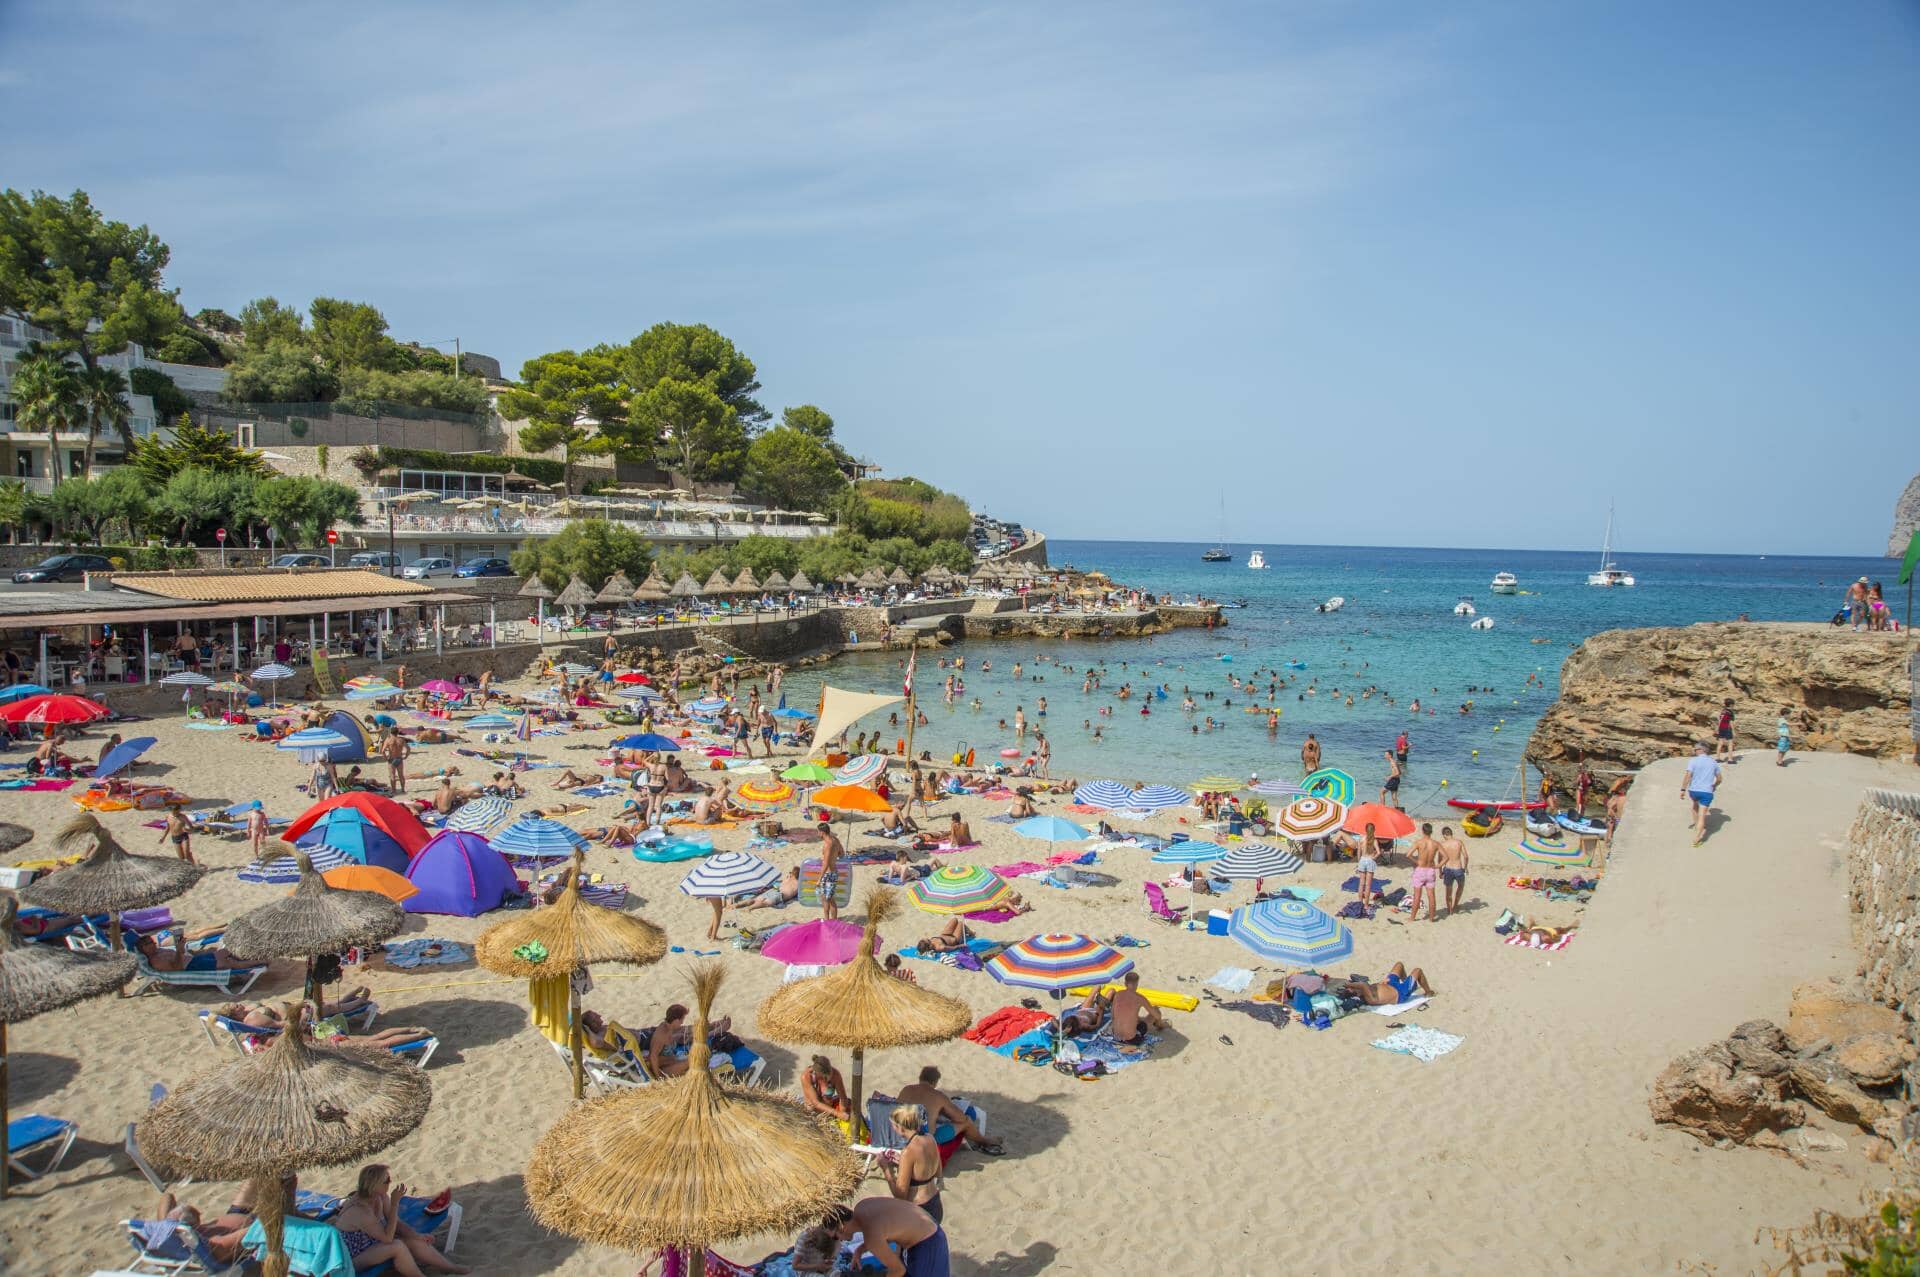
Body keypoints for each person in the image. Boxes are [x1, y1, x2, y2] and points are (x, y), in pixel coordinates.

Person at [329, 1164, 468, 1275]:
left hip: (370, 1244)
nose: (390, 1182)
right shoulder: (361, 1211)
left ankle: (452, 1268)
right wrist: (395, 1203)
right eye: (387, 1180)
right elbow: (388, 1238)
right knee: (397, 1246)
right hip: (350, 1259)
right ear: (375, 1185)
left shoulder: (380, 1197)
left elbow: (395, 1222)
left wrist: (417, 1236)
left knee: (413, 1240)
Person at [827, 1198, 947, 1277]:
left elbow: (898, 1271)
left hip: (928, 1243)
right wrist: (860, 1249)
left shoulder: (871, 1237)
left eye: (835, 1237)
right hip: (928, 1225)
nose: (840, 1241)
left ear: (841, 1227)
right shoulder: (862, 1206)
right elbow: (886, 1227)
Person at [897, 1066, 1001, 1155]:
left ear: (920, 1078)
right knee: (966, 1121)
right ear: (935, 1082)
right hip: (925, 1138)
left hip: (900, 1132)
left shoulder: (906, 1089)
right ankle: (984, 1141)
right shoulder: (938, 1096)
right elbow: (960, 1117)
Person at [884, 1104, 945, 1224]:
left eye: (894, 1126)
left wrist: (886, 1169)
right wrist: (902, 1162)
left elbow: (900, 1195)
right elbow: (938, 1170)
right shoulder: (930, 1139)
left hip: (919, 1209)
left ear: (901, 1128)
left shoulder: (908, 1151)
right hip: (935, 1202)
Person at [1681, 741, 1723, 847]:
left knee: (1694, 806)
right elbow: (1719, 779)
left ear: (1701, 750)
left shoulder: (1693, 761)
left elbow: (1688, 775)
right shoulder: (1713, 762)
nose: (1694, 751)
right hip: (1706, 792)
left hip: (1693, 791)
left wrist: (1682, 789)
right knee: (1702, 815)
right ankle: (1697, 837)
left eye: (1695, 749)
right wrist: (1714, 786)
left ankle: (1696, 826)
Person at [1109, 971, 1165, 1045]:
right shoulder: (1139, 998)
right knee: (1156, 1011)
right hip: (1131, 1040)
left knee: (1131, 1016)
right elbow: (1157, 1015)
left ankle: (1158, 1024)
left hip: (1115, 1036)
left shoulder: (1118, 994)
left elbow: (1113, 1016)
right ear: (1136, 984)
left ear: (1125, 983)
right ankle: (1161, 1026)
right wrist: (1157, 1015)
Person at [1340, 962, 1434, 1005]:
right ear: (1355, 992)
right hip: (1400, 993)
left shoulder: (1365, 990)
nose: (1353, 986)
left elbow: (1373, 987)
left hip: (1390, 984)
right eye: (1352, 988)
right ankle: (1428, 992)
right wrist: (1348, 985)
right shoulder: (1369, 998)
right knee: (1418, 971)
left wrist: (1381, 983)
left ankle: (1410, 984)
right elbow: (1362, 985)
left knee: (1399, 965)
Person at [800, 1054, 851, 1128]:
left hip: (829, 1112)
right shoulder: (806, 1076)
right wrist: (838, 1114)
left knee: (849, 1103)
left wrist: (843, 1112)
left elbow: (842, 1098)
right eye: (826, 1077)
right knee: (810, 1108)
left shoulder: (835, 1074)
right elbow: (816, 1103)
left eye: (831, 1073)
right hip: (813, 1112)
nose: (830, 1077)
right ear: (818, 1074)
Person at [1408, 823, 1439, 921]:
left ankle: (1412, 918)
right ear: (1431, 831)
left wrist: (1417, 861)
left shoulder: (1419, 842)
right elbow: (1446, 857)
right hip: (1430, 870)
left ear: (1423, 831)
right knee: (1431, 896)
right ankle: (1431, 918)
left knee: (1417, 895)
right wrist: (1438, 866)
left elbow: (1408, 854)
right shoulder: (1435, 843)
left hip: (1420, 869)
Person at [1436, 825, 1469, 917]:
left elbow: (1439, 860)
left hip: (1448, 869)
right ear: (1451, 833)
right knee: (1460, 887)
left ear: (1444, 835)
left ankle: (1449, 910)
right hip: (1458, 869)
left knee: (1448, 891)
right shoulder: (1459, 842)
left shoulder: (1442, 844)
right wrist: (1465, 867)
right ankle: (1455, 905)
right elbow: (1466, 857)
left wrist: (1440, 872)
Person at [817, 821, 844, 921]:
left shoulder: (828, 844)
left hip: (828, 874)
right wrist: (834, 856)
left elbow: (826, 863)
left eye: (818, 832)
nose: (817, 834)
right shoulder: (835, 840)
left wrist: (819, 879)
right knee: (826, 898)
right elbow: (842, 853)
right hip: (833, 872)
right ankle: (828, 920)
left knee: (829, 899)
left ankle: (832, 921)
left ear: (822, 832)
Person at [1355, 823, 1380, 906]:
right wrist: (1374, 857)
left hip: (1362, 860)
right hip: (1370, 860)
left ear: (1365, 830)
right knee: (1368, 885)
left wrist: (1359, 862)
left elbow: (1359, 852)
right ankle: (1366, 905)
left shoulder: (1361, 839)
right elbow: (1379, 852)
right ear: (1374, 830)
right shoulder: (1374, 840)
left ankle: (1360, 902)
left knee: (1361, 883)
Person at [382, 729, 411, 794]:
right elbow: (408, 748)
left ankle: (393, 790)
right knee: (401, 775)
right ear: (397, 733)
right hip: (399, 759)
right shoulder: (401, 740)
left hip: (391, 759)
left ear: (391, 733)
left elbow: (383, 751)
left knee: (392, 775)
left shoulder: (388, 740)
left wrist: (386, 758)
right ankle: (403, 789)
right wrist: (406, 756)